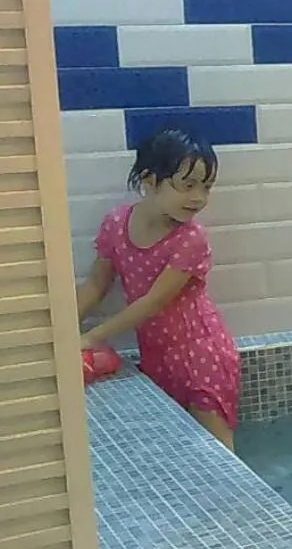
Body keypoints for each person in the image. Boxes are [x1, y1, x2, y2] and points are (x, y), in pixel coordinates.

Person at [77, 128, 241, 449]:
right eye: (187, 185)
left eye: (206, 187)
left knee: (219, 452)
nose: (198, 198)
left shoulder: (191, 238)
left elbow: (153, 302)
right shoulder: (116, 224)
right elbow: (96, 284)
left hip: (202, 353)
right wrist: (59, 330)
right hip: (157, 355)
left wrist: (91, 336)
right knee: (177, 450)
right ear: (150, 181)